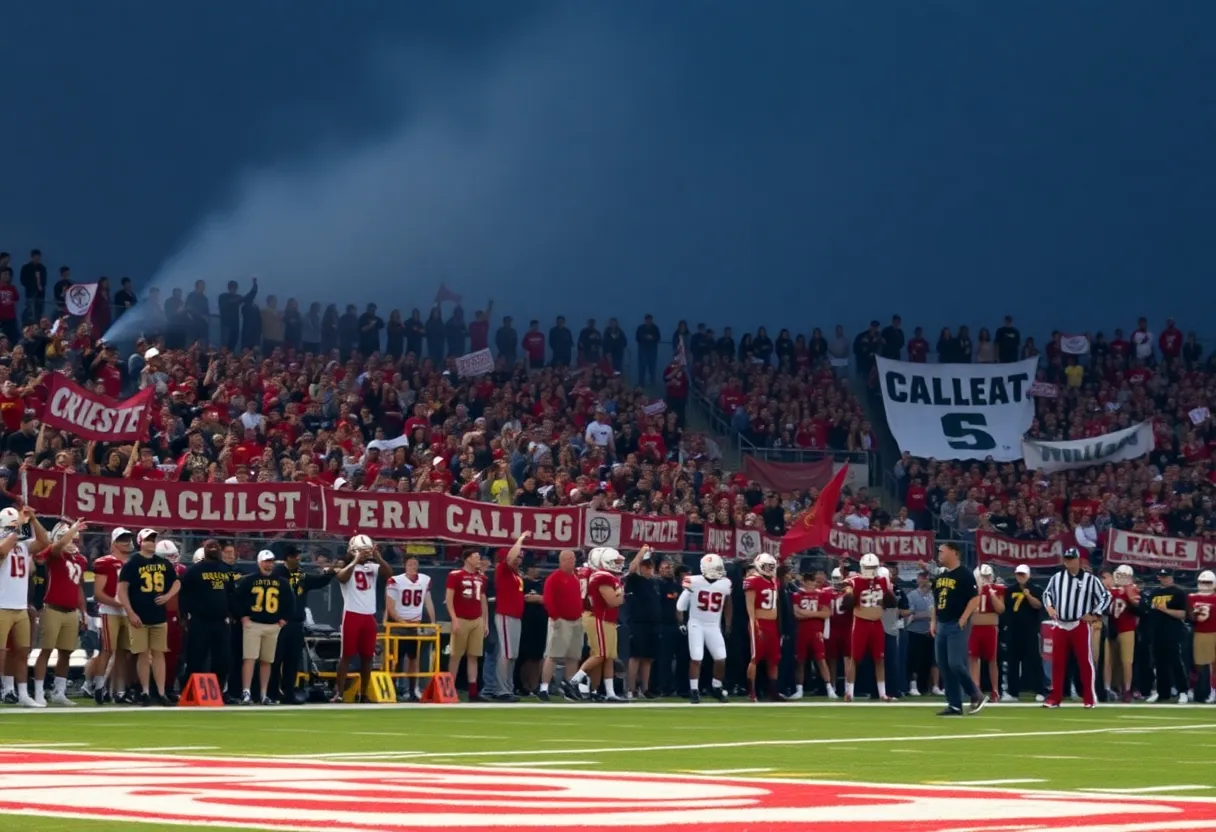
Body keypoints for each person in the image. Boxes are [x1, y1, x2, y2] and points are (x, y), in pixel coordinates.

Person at [117, 530, 182, 706]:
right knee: (143, 655)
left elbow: (176, 582)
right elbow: (122, 590)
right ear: (139, 542)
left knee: (159, 654)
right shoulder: (132, 563)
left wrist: (168, 596)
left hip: (158, 615)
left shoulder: (163, 563)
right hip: (139, 615)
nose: (152, 542)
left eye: (153, 539)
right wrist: (130, 612)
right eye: (148, 539)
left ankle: (160, 693)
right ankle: (145, 691)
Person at [1041, 547, 1111, 709]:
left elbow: (1106, 596)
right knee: (1057, 663)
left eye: (1071, 558)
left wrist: (1095, 613)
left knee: (1085, 662)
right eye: (1066, 558)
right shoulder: (1057, 578)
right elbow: (1047, 594)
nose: (1068, 561)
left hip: (1079, 624)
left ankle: (1089, 697)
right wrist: (1049, 607)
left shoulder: (1090, 579)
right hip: (1060, 624)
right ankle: (1055, 697)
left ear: (1078, 560)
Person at [32, 520, 88, 707]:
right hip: (53, 608)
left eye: (76, 540)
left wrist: (84, 612)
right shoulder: (56, 556)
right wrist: (70, 531)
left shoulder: (81, 559)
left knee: (66, 653)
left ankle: (59, 691)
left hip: (71, 611)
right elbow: (54, 548)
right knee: (46, 650)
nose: (74, 543)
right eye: (71, 539)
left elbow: (79, 587)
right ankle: (39, 692)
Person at [271, 545, 334, 704]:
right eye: (295, 555)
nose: (298, 558)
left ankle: (289, 693)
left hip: (297, 623)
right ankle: (272, 693)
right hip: (279, 623)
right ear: (287, 557)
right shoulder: (277, 573)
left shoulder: (301, 575)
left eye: (299, 555)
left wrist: (329, 573)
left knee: (293, 660)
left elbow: (317, 581)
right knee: (275, 659)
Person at [0, 506, 50, 707]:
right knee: (1, 651)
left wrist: (34, 519)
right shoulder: (6, 543)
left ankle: (22, 693)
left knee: (22, 651)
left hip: (19, 607)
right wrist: (18, 525)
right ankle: (5, 688)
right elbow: (3, 550)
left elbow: (44, 542)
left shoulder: (23, 546)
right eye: (12, 526)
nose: (16, 530)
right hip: (2, 606)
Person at [333, 534, 392, 703]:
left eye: (367, 551)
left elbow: (389, 574)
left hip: (368, 615)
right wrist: (355, 559)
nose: (365, 554)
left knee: (367, 656)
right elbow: (341, 577)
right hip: (352, 613)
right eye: (362, 551)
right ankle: (339, 693)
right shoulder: (345, 565)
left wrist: (378, 556)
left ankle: (364, 693)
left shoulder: (372, 567)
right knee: (346, 655)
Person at [931, 541, 986, 716]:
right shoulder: (940, 577)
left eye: (943, 550)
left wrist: (963, 618)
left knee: (955, 662)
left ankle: (975, 693)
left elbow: (974, 599)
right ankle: (954, 704)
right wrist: (933, 621)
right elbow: (935, 601)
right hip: (942, 622)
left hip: (956, 623)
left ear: (954, 552)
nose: (939, 553)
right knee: (943, 665)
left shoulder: (965, 574)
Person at [233, 551, 294, 705]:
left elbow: (290, 602)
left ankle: (263, 693)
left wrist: (283, 620)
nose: (269, 564)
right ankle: (246, 692)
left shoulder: (282, 582)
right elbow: (235, 599)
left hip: (272, 625)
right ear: (259, 562)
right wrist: (243, 616)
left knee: (267, 660)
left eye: (271, 562)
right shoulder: (249, 580)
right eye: (266, 561)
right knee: (250, 658)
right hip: (253, 624)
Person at [568, 547, 626, 702]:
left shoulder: (599, 575)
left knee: (608, 657)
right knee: (600, 654)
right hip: (600, 617)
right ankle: (573, 681)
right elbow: (613, 601)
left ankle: (609, 692)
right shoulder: (602, 577)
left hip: (606, 618)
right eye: (614, 561)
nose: (618, 564)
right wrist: (621, 593)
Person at [179, 539, 234, 698]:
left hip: (221, 622)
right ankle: (189, 691)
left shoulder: (225, 570)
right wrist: (183, 616)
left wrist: (231, 613)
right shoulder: (194, 570)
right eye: (210, 546)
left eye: (216, 546)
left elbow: (230, 593)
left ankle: (219, 692)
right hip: (199, 621)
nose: (213, 548)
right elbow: (184, 594)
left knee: (223, 659)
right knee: (196, 658)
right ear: (204, 549)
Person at [677, 552, 732, 704]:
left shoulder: (725, 583)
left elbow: (728, 603)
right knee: (697, 657)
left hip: (714, 625)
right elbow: (680, 605)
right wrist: (681, 622)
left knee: (721, 658)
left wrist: (727, 623)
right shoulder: (693, 581)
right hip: (696, 623)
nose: (719, 570)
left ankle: (716, 687)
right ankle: (694, 690)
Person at [89, 528, 135, 705]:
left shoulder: (132, 563)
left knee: (124, 652)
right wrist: (121, 604)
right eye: (122, 539)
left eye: (128, 538)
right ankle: (99, 686)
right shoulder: (105, 562)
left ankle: (119, 690)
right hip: (110, 610)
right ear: (114, 542)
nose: (127, 542)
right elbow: (98, 594)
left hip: (127, 611)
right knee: (107, 650)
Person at [842, 553, 895, 702]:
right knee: (855, 658)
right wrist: (848, 593)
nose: (870, 570)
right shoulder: (854, 581)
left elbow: (890, 602)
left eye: (872, 567)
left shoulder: (882, 581)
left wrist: (888, 594)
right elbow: (847, 592)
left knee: (879, 658)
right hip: (861, 622)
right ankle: (850, 692)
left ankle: (882, 693)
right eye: (868, 567)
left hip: (877, 622)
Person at [384, 555, 434, 702]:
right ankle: (393, 690)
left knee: (413, 659)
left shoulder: (424, 579)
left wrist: (432, 621)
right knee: (395, 659)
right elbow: (390, 607)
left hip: (415, 624)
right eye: (410, 564)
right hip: (398, 625)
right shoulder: (395, 581)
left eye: (415, 564)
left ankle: (413, 690)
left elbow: (428, 602)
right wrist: (402, 622)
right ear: (404, 565)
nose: (413, 567)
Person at [539, 549, 584, 703]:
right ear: (563, 560)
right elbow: (548, 599)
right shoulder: (554, 578)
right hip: (561, 620)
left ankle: (570, 685)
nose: (573, 561)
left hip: (576, 620)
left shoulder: (574, 578)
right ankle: (544, 687)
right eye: (570, 559)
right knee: (553, 654)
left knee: (573, 656)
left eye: (573, 559)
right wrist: (555, 617)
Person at [445, 548, 489, 702]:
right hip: (461, 618)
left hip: (476, 619)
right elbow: (449, 599)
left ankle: (473, 691)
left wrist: (485, 621)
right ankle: (450, 689)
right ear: (468, 558)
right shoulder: (455, 575)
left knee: (473, 656)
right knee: (455, 655)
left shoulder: (481, 578)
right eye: (476, 557)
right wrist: (454, 618)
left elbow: (483, 601)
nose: (479, 560)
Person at [492, 532, 531, 702]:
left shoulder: (515, 574)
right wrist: (521, 539)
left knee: (512, 654)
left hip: (516, 615)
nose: (518, 560)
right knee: (506, 653)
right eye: (516, 557)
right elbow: (510, 557)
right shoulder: (502, 569)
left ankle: (508, 687)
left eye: (520, 558)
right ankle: (502, 690)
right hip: (506, 615)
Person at [1145, 568, 1189, 704]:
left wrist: (1165, 610)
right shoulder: (1154, 593)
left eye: (1166, 576)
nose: (1164, 579)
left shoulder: (1178, 593)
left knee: (1176, 662)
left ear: (1171, 577)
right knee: (1159, 663)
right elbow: (1149, 612)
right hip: (1157, 632)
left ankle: (1182, 691)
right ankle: (1162, 692)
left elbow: (1182, 614)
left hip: (1173, 632)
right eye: (1162, 576)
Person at [789, 570, 834, 700]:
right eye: (807, 581)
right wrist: (815, 613)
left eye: (812, 581)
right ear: (803, 581)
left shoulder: (822, 594)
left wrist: (807, 613)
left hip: (816, 632)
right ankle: (799, 690)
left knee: (821, 660)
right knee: (800, 661)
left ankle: (829, 688)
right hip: (802, 632)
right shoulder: (797, 595)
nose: (810, 584)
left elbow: (826, 613)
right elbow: (796, 614)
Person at [744, 552, 781, 702]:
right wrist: (754, 624)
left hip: (773, 624)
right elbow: (750, 606)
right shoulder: (753, 580)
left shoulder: (774, 581)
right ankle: (751, 692)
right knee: (755, 658)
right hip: (759, 622)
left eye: (772, 566)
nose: (770, 568)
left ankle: (773, 692)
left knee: (774, 659)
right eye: (767, 566)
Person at [624, 547, 660, 700]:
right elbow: (631, 569)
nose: (649, 569)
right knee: (636, 656)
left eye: (651, 566)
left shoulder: (654, 583)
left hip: (653, 624)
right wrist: (641, 553)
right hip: (638, 623)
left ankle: (644, 689)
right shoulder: (634, 580)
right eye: (646, 566)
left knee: (648, 658)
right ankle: (631, 688)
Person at [1004, 564, 1044, 702]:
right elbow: (1006, 609)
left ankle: (1040, 690)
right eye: (1018, 574)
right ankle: (1012, 692)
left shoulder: (1036, 589)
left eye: (1023, 574)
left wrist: (1028, 596)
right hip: (1014, 630)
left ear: (1028, 575)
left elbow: (1038, 605)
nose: (1020, 577)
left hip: (1030, 630)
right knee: (1012, 661)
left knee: (1034, 660)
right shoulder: (1010, 590)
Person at [968, 563, 1006, 702]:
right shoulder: (971, 590)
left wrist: (991, 593)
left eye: (987, 576)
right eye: (983, 576)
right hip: (975, 627)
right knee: (973, 658)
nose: (985, 578)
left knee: (992, 659)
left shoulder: (997, 589)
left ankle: (995, 690)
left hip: (990, 627)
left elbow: (1000, 609)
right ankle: (976, 689)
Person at [1106, 564, 1140, 703]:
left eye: (1124, 576)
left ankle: (1127, 689)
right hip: (1111, 627)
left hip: (1127, 627)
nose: (1121, 578)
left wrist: (1128, 595)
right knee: (1109, 661)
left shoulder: (1133, 589)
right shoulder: (1109, 590)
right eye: (1119, 575)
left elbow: (1138, 608)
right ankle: (1108, 688)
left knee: (1127, 662)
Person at [905, 570, 937, 697]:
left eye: (927, 578)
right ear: (918, 579)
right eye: (923, 578)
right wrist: (927, 615)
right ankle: (913, 686)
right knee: (915, 661)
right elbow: (911, 614)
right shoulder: (912, 595)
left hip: (929, 631)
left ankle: (927, 687)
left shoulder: (932, 596)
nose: (925, 581)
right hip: (915, 631)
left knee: (928, 661)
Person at [1187, 570, 1216, 704]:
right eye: (1202, 582)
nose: (1204, 585)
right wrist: (1193, 613)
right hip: (1199, 632)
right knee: (1198, 664)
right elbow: (1189, 617)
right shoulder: (1192, 597)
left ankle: (1212, 691)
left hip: (1213, 632)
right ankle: (1196, 689)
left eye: (1207, 582)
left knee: (1212, 664)